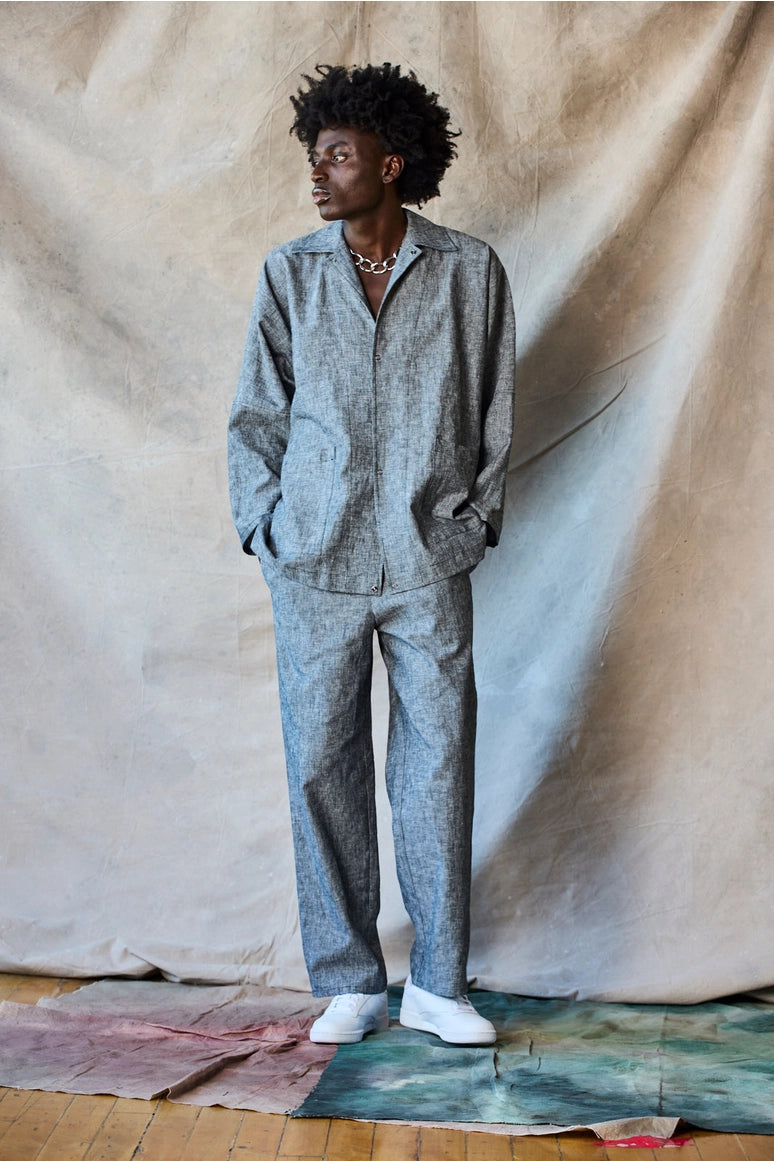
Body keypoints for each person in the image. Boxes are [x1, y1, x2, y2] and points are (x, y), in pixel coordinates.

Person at [228, 63, 515, 1046]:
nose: (319, 171)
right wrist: (265, 526)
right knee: (322, 763)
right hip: (313, 561)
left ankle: (439, 983)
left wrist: (470, 523)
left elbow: (492, 411)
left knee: (437, 766)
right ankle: (350, 978)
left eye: (338, 155)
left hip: (428, 560)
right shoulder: (290, 273)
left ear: (391, 163)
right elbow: (256, 417)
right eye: (315, 156)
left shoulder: (470, 271)